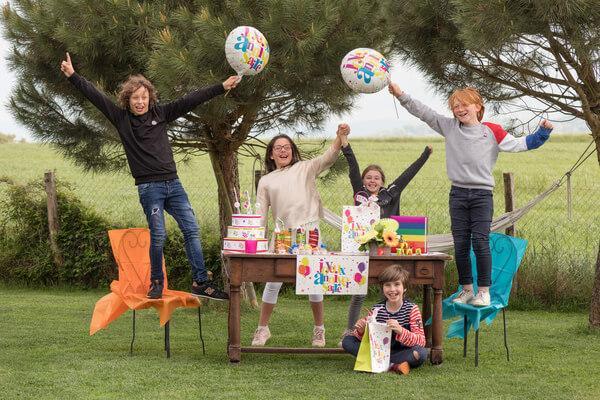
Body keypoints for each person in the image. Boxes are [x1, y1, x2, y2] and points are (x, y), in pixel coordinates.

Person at [60, 52, 239, 300]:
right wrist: (73, 76)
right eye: (135, 98)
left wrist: (221, 87)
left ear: (150, 98)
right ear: (128, 100)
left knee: (192, 230)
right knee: (158, 236)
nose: (140, 102)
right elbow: (96, 96)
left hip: (173, 184)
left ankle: (200, 282)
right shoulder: (121, 119)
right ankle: (156, 282)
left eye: (144, 97)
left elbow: (191, 100)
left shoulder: (161, 114)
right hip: (149, 189)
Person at [389, 83, 553, 307]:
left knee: (480, 241)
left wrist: (543, 132)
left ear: (478, 106)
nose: (459, 109)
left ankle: (483, 292)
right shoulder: (449, 127)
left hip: (482, 195)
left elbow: (522, 144)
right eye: (455, 106)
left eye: (464, 104)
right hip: (457, 194)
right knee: (461, 244)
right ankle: (466, 289)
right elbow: (424, 113)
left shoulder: (492, 131)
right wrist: (401, 95)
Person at [251, 124, 349, 347]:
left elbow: (328, 158)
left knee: (314, 282)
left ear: (293, 151)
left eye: (287, 147)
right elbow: (260, 213)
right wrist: (257, 240)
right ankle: (262, 329)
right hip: (282, 236)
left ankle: (319, 330)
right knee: (273, 282)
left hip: (309, 234)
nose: (283, 151)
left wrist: (339, 137)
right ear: (271, 153)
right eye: (278, 148)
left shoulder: (306, 168)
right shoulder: (266, 181)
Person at [337, 131, 432, 344]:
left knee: (391, 288)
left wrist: (425, 155)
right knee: (358, 293)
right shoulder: (359, 194)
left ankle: (394, 332)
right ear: (363, 181)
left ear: (382, 182)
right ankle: (351, 331)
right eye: (368, 177)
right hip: (363, 252)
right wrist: (345, 144)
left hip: (386, 252)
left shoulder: (390, 194)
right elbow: (352, 167)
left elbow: (407, 175)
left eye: (376, 178)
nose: (372, 180)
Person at [342, 264, 427, 375]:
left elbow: (421, 341)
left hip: (401, 351)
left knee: (421, 353)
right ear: (383, 288)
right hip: (378, 351)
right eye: (388, 285)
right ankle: (393, 365)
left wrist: (400, 330)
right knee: (347, 341)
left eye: (397, 284)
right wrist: (361, 331)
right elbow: (363, 338)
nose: (392, 289)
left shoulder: (412, 309)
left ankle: (380, 364)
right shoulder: (377, 309)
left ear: (404, 287)